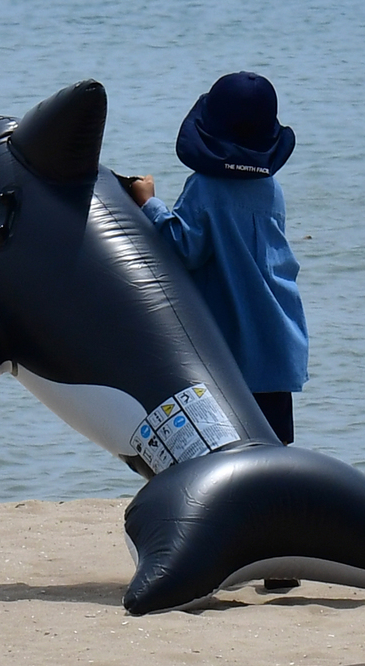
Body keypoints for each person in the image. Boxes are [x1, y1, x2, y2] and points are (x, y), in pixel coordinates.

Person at [125, 72, 308, 447]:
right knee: (273, 449)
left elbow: (183, 248)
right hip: (277, 342)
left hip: (231, 353)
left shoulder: (205, 187)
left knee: (226, 448)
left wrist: (149, 203)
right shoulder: (270, 188)